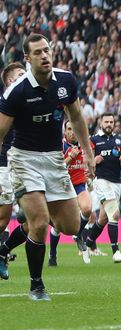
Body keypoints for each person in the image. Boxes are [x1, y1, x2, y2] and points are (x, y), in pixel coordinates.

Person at [0, 33, 95, 301]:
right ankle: (36, 285)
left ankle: (16, 232)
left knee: (70, 225)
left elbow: (76, 117)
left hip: (54, 159)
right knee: (40, 224)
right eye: (38, 53)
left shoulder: (65, 81)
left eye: (47, 50)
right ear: (27, 59)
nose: (45, 56)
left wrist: (87, 152)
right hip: (24, 159)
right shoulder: (16, 91)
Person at [84, 113, 121, 263]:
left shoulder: (120, 140)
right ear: (100, 123)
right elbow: (86, 161)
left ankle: (88, 243)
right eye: (106, 122)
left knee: (103, 218)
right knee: (115, 214)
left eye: (111, 121)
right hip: (101, 181)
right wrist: (94, 161)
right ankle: (115, 252)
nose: (109, 124)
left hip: (116, 181)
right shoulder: (94, 140)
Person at [57, 120, 96, 266]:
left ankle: (78, 234)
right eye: (69, 129)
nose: (72, 132)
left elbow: (91, 163)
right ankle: (53, 254)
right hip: (63, 186)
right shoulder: (59, 145)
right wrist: (70, 157)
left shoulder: (86, 145)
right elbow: (56, 167)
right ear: (65, 131)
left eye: (75, 129)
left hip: (79, 185)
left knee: (87, 209)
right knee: (57, 226)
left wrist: (90, 173)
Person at [0, 63, 25, 265]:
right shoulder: (2, 104)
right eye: (21, 75)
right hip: (4, 167)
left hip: (25, 166)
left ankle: (4, 251)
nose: (26, 77)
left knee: (33, 220)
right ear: (10, 81)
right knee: (3, 219)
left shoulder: (29, 102)